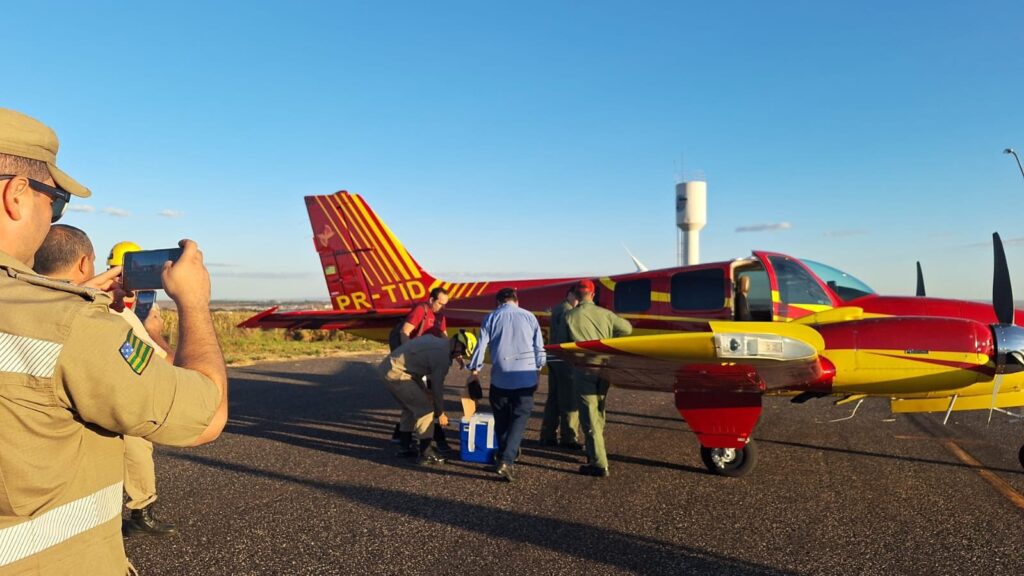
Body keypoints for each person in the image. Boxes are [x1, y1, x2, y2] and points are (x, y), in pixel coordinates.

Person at [0, 108, 228, 574]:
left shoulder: (67, 314)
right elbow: (205, 417)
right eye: (56, 202)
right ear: (16, 194)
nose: (52, 217)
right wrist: (196, 304)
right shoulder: (71, 325)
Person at [35, 228, 179, 538]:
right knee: (136, 446)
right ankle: (140, 510)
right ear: (86, 263)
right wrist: (155, 330)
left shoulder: (31, 305)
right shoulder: (109, 314)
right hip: (108, 397)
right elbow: (159, 363)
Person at [466, 288, 546, 482]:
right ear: (516, 300)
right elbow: (539, 349)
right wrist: (538, 372)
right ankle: (507, 460)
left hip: (500, 380)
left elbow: (481, 345)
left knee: (501, 422)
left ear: (498, 302)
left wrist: (474, 372)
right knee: (519, 420)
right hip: (525, 378)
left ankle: (504, 456)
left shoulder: (491, 318)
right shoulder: (530, 317)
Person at [378, 329, 477, 466]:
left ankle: (404, 447)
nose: (459, 356)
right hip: (398, 373)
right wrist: (440, 413)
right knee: (425, 410)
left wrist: (424, 390)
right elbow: (437, 388)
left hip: (390, 369)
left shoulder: (439, 344)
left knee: (410, 408)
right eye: (462, 352)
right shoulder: (442, 357)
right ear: (458, 345)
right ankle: (425, 452)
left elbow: (416, 367)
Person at [565, 279, 632, 478]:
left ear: (576, 295)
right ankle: (594, 450)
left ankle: (599, 463)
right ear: (593, 295)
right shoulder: (606, 314)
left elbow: (562, 343)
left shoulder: (570, 316)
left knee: (588, 415)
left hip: (584, 369)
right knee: (599, 410)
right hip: (604, 368)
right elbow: (627, 329)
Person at [388, 287, 453, 453]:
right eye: (440, 303)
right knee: (423, 402)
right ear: (431, 300)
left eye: (445, 304)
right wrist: (407, 355)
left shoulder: (440, 315)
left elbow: (444, 335)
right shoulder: (421, 310)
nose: (442, 307)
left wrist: (455, 352)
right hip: (415, 362)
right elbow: (405, 331)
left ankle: (404, 439)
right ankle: (430, 442)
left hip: (427, 361)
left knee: (419, 401)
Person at [539, 288, 582, 449]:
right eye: (576, 295)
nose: (578, 299)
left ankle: (547, 434)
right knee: (569, 399)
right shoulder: (568, 312)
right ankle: (568, 438)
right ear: (569, 294)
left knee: (554, 398)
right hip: (565, 359)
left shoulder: (558, 308)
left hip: (554, 358)